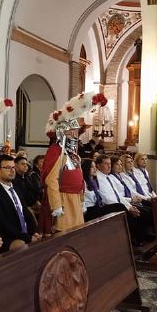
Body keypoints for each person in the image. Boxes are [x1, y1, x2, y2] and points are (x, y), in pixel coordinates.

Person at [40, 92, 107, 234]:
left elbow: (81, 180)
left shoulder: (74, 155)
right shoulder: (56, 151)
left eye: (76, 132)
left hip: (76, 201)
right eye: (72, 132)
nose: (75, 135)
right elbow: (51, 180)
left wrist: (82, 200)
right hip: (63, 201)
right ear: (62, 133)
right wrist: (56, 206)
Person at [0, 155, 42, 251]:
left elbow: (25, 212)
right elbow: (2, 223)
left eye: (13, 167)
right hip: (8, 239)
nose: (12, 170)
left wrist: (34, 232)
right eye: (7, 168)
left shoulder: (16, 188)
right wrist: (27, 238)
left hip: (25, 236)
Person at [95, 154, 146, 244]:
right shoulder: (99, 178)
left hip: (119, 202)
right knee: (125, 210)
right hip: (107, 206)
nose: (109, 166)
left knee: (140, 209)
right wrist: (127, 207)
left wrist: (129, 206)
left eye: (110, 163)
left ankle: (140, 237)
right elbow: (108, 199)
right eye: (106, 164)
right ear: (98, 166)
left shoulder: (106, 177)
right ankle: (132, 240)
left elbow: (118, 195)